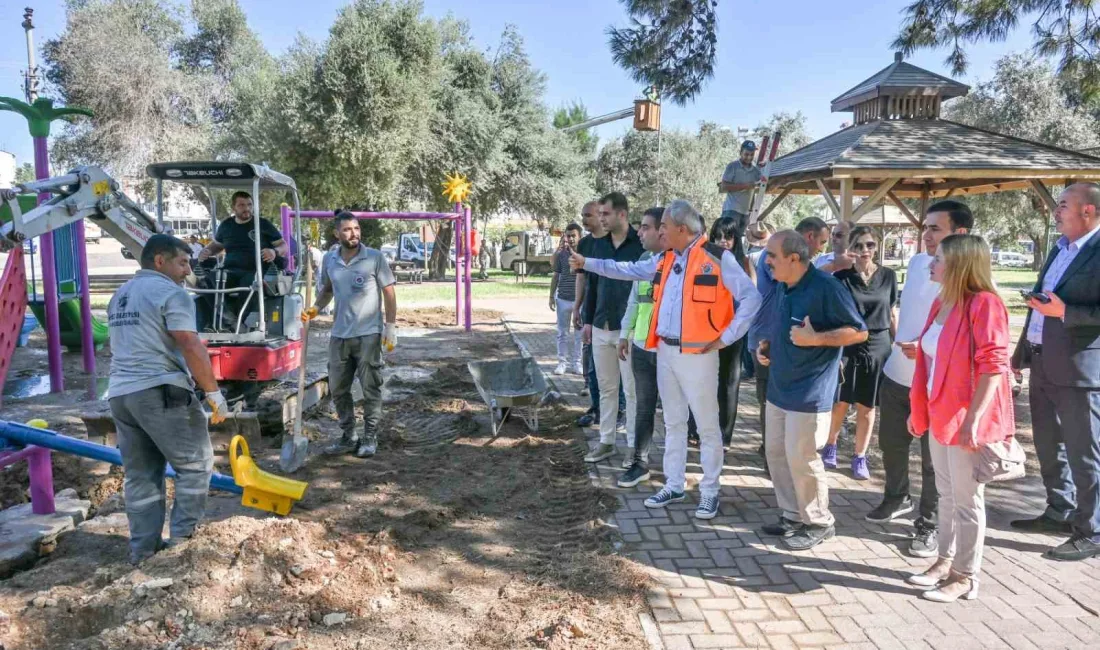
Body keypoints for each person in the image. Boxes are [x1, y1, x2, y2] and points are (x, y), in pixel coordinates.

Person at [572, 199, 761, 519]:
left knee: (706, 425)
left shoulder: (717, 258)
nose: (660, 232)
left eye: (664, 227)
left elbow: (752, 298)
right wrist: (587, 262)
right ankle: (674, 484)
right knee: (673, 421)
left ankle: (710, 490)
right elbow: (626, 270)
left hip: (699, 355)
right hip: (666, 352)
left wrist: (727, 338)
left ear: (682, 230)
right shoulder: (665, 259)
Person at [107, 234, 229, 565]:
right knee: (195, 465)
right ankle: (180, 546)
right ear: (159, 260)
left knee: (142, 475)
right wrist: (214, 393)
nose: (187, 270)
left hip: (121, 394)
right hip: (160, 390)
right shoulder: (171, 293)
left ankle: (143, 551)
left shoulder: (121, 295)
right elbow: (189, 343)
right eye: (182, 262)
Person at [906, 234, 1013, 601]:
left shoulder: (985, 304)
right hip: (940, 413)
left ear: (958, 265)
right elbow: (931, 359)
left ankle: (966, 575)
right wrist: (919, 406)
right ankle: (944, 561)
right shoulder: (943, 302)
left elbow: (994, 366)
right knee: (946, 493)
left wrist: (974, 420)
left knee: (968, 500)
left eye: (937, 258)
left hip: (967, 419)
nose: (931, 264)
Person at [870, 200, 971, 557]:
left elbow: (968, 339)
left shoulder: (967, 280)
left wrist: (928, 348)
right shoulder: (915, 264)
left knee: (932, 461)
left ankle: (927, 525)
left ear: (959, 234)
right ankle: (897, 497)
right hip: (897, 375)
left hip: (934, 385)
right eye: (925, 228)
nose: (926, 235)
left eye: (935, 229)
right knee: (892, 445)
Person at [756, 230, 867, 550]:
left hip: (810, 391)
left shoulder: (826, 288)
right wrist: (768, 346)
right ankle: (792, 514)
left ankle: (818, 521)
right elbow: (784, 328)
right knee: (776, 454)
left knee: (802, 457)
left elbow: (858, 332)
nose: (768, 261)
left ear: (794, 258)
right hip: (779, 386)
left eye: (773, 255)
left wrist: (816, 339)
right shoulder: (782, 285)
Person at [1011, 182, 1100, 561]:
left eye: (1063, 204)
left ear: (1088, 211)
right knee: (1049, 444)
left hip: (1080, 369)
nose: (1055, 211)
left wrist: (1064, 312)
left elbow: (1064, 308)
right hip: (1041, 360)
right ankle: (1058, 509)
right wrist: (1020, 351)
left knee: (1085, 451)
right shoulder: (1059, 248)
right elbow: (1040, 302)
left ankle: (1092, 530)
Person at [302, 211, 397, 459]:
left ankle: (370, 436)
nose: (353, 233)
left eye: (356, 228)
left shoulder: (374, 258)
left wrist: (390, 326)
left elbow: (389, 292)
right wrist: (315, 308)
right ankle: (348, 435)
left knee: (370, 387)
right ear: (337, 234)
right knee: (338, 388)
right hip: (339, 335)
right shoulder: (331, 260)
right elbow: (327, 290)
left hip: (368, 334)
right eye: (347, 230)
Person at [747, 217, 830, 470]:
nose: (821, 249)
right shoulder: (779, 268)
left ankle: (782, 460)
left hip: (778, 344)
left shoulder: (815, 281)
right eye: (821, 242)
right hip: (766, 341)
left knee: (781, 406)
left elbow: (857, 331)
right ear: (808, 238)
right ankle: (773, 457)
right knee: (770, 403)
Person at [820, 226, 898, 479]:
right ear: (850, 249)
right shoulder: (840, 277)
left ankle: (859, 456)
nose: (865, 250)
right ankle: (830, 445)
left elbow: (892, 312)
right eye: (859, 245)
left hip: (879, 344)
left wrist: (896, 345)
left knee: (867, 406)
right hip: (849, 342)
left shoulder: (888, 276)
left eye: (870, 245)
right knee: (841, 401)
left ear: (877, 247)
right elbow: (816, 285)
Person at [581, 192, 644, 465]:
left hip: (627, 329)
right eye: (600, 214)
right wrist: (586, 320)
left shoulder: (640, 244)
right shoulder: (598, 245)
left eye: (605, 214)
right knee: (606, 388)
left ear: (622, 214)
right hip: (600, 324)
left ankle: (633, 447)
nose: (601, 219)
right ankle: (606, 441)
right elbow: (594, 284)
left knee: (631, 391)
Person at [687, 215, 755, 446]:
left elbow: (751, 298)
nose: (722, 241)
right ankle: (694, 429)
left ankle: (724, 436)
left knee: (728, 383)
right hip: (705, 332)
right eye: (717, 236)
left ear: (737, 238)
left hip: (733, 334)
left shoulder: (744, 264)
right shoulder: (704, 259)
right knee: (700, 381)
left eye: (728, 236)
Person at [616, 207, 666, 485]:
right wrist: (625, 334)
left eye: (645, 227)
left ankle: (675, 469)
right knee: (644, 407)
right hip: (642, 347)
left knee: (673, 413)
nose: (639, 232)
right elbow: (635, 301)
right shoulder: (646, 260)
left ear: (663, 231)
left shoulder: (678, 264)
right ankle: (639, 462)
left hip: (670, 351)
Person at [195, 192, 289, 329]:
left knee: (249, 284)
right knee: (206, 281)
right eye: (242, 205)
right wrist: (206, 251)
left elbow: (284, 246)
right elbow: (215, 246)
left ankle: (233, 323)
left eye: (249, 205)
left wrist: (274, 252)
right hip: (229, 270)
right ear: (233, 207)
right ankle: (228, 321)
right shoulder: (226, 226)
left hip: (254, 271)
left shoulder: (263, 224)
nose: (247, 208)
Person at [573, 202, 624, 427]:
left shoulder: (614, 242)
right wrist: (577, 306)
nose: (585, 220)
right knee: (592, 364)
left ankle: (619, 410)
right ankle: (596, 408)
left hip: (615, 313)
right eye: (583, 216)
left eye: (589, 216)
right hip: (592, 311)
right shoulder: (584, 244)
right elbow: (582, 277)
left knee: (617, 366)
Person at [550, 223, 584, 375]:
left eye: (573, 236)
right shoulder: (561, 254)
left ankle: (577, 363)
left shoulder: (586, 254)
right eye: (568, 235)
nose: (570, 239)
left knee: (579, 334)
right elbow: (556, 275)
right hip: (563, 298)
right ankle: (561, 363)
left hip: (581, 300)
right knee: (562, 333)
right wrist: (551, 296)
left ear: (579, 237)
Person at [718, 141, 762, 234]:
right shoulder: (732, 166)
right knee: (727, 239)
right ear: (740, 152)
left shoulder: (756, 171)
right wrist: (746, 186)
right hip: (731, 211)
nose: (749, 157)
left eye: (752, 154)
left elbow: (763, 183)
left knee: (739, 243)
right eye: (746, 154)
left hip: (746, 213)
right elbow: (724, 186)